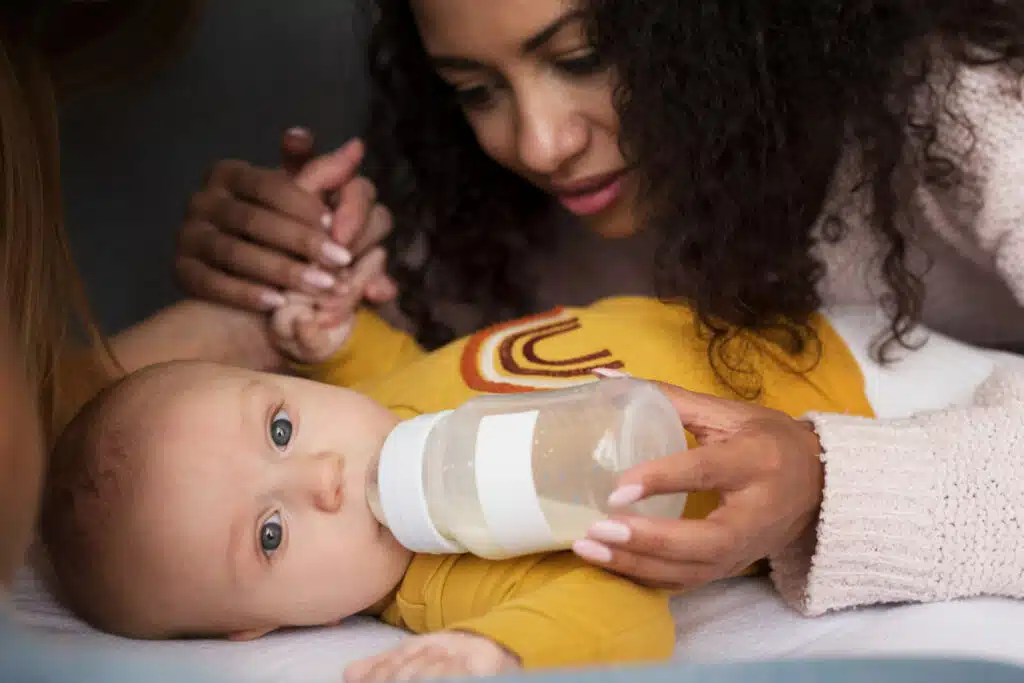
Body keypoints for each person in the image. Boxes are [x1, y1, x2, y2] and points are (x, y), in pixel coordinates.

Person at [173, 0, 1024, 617]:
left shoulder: (966, 105)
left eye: (582, 57)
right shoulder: (505, 219)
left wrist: (826, 484)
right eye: (475, 90)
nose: (540, 143)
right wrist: (281, 265)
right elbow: (399, 389)